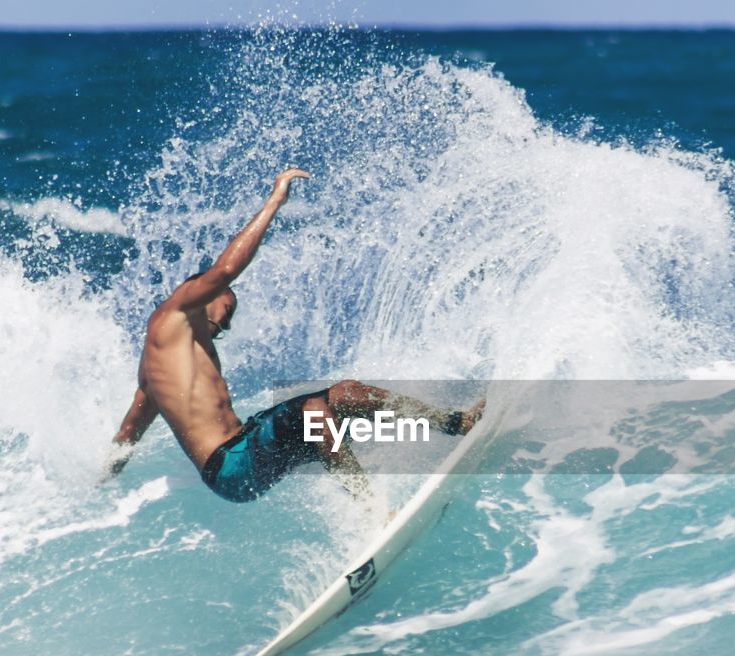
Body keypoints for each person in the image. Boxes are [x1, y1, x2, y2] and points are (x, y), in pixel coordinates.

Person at [106, 168, 483, 502]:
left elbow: (128, 433)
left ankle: (455, 423)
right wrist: (274, 201)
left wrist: (103, 481)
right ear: (202, 296)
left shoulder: (161, 371)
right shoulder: (174, 310)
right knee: (315, 411)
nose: (230, 322)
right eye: (228, 308)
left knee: (348, 395)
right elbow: (224, 271)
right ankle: (370, 509)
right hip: (229, 464)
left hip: (244, 463)